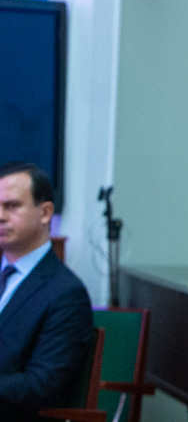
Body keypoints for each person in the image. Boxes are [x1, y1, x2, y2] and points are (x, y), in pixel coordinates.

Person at [0, 162, 94, 421]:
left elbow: (42, 385)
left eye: (11, 206)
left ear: (45, 212)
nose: (0, 216)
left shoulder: (66, 293)